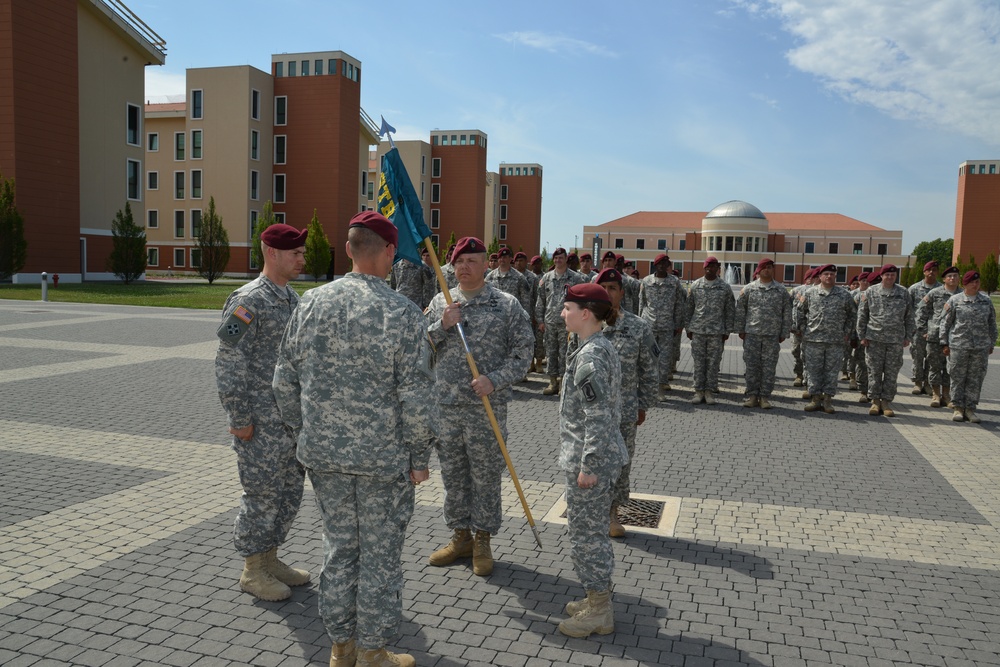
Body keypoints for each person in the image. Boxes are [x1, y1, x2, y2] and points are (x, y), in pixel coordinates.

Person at [272, 211, 437, 667]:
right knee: (380, 556)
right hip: (385, 461)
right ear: (389, 252)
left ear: (347, 249)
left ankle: (340, 647)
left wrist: (307, 433)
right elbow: (416, 395)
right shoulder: (403, 312)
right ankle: (371, 651)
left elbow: (283, 381)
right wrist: (420, 455)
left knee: (340, 547)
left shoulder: (309, 303)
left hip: (325, 458)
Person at [425, 237, 534, 576]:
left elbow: (523, 355)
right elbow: (419, 349)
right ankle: (461, 536)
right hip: (447, 406)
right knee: (454, 475)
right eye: (459, 261)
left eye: (471, 261)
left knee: (485, 476)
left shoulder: (505, 304)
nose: (464, 267)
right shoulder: (441, 302)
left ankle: (483, 538)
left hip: (486, 407)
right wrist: (440, 326)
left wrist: (494, 379)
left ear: (486, 264)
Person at [215, 222, 310, 602]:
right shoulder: (248, 300)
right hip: (260, 422)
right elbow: (228, 362)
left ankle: (271, 558)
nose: (302, 259)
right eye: (295, 253)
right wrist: (239, 418)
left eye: (302, 253)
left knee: (288, 493)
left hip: (291, 420)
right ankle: (252, 569)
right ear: (272, 253)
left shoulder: (293, 299)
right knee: (261, 494)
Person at [556, 283, 629, 639]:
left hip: (591, 461)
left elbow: (597, 416)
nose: (562, 313)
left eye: (567, 307)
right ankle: (594, 597)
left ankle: (599, 610)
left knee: (587, 537)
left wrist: (588, 466)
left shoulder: (590, 357)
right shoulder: (596, 347)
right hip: (595, 456)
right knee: (591, 533)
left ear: (586, 313)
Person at [581, 268, 657, 537]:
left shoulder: (638, 327)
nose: (608, 292)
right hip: (588, 413)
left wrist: (643, 405)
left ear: (622, 293)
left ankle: (613, 512)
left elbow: (649, 369)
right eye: (604, 288)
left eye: (613, 288)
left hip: (623, 411)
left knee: (620, 464)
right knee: (588, 460)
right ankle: (590, 510)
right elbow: (571, 369)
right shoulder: (584, 324)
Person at [796, 264, 857, 413]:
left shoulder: (844, 295)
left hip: (835, 341)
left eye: (832, 274)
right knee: (813, 371)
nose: (829, 276)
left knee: (831, 371)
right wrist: (803, 330)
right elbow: (799, 312)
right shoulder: (810, 293)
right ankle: (815, 399)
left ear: (835, 276)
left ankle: (828, 400)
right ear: (820, 276)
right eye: (826, 274)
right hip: (813, 340)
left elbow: (852, 315)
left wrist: (846, 332)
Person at [940, 270, 997, 423]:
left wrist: (991, 342)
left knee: (975, 379)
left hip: (980, 348)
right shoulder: (954, 300)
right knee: (957, 378)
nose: (975, 284)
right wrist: (944, 343)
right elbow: (945, 323)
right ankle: (958, 408)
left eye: (977, 282)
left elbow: (992, 324)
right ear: (965, 284)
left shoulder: (986, 301)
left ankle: (970, 409)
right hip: (958, 346)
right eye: (972, 282)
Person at [858, 263, 914, 417]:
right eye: (887, 274)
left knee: (891, 373)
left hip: (895, 340)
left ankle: (886, 402)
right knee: (874, 371)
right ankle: (875, 401)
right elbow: (862, 315)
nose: (890, 277)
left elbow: (909, 316)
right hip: (874, 339)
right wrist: (862, 336)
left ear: (896, 276)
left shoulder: (903, 293)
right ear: (881, 276)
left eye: (893, 274)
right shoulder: (870, 291)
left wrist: (908, 336)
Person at [736, 258, 792, 409]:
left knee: (769, 367)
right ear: (758, 270)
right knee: (752, 366)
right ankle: (752, 395)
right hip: (752, 334)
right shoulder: (748, 289)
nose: (767, 270)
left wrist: (784, 332)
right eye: (764, 267)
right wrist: (740, 330)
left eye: (770, 267)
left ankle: (765, 397)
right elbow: (741, 310)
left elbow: (786, 312)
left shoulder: (781, 290)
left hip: (772, 335)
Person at [685, 256, 735, 405]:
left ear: (717, 268)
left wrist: (727, 330)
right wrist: (688, 327)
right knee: (699, 362)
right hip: (698, 330)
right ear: (703, 267)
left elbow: (730, 310)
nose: (710, 268)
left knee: (713, 362)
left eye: (713, 266)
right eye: (707, 266)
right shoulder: (695, 286)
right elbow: (688, 308)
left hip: (716, 331)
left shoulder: (724, 287)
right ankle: (698, 391)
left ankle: (709, 392)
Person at [536, 247, 586, 395]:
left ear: (566, 259)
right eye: (556, 258)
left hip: (568, 323)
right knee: (551, 353)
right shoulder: (546, 278)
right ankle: (552, 383)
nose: (558, 260)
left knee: (566, 353)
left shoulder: (575, 278)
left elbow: (580, 301)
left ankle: (564, 382)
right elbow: (541, 301)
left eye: (561, 258)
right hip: (550, 322)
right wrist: (540, 320)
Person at [638, 253, 685, 400]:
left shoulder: (674, 282)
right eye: (660, 263)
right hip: (649, 325)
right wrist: (640, 322)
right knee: (648, 357)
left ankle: (659, 388)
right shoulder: (646, 281)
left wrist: (678, 324)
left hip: (667, 327)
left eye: (666, 264)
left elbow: (679, 305)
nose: (663, 266)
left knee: (664, 358)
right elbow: (642, 302)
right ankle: (648, 388)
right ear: (655, 265)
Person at [917, 266, 961, 408]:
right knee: (934, 366)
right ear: (944, 279)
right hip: (935, 335)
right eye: (949, 276)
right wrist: (923, 330)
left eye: (955, 276)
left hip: (954, 337)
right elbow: (921, 311)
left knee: (951, 367)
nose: (952, 278)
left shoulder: (962, 294)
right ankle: (936, 394)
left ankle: (946, 395)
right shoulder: (934, 293)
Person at [908, 260, 942, 395]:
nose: (932, 272)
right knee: (917, 356)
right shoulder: (914, 289)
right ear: (924, 272)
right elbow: (908, 309)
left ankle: (928, 384)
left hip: (935, 330)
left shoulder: (941, 289)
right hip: (918, 329)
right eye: (929, 270)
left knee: (931, 358)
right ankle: (917, 383)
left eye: (934, 270)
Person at [789, 268, 817, 388]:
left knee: (809, 355)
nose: (810, 279)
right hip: (797, 330)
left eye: (813, 277)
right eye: (808, 277)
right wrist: (791, 325)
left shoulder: (816, 291)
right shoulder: (796, 291)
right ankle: (798, 375)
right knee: (796, 352)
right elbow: (787, 307)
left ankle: (808, 378)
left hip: (812, 330)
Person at [486, 246, 531, 314]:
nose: (502, 259)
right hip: (494, 316)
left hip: (513, 316)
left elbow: (526, 301)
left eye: (504, 257)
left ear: (510, 259)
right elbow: (485, 295)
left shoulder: (519, 277)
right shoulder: (490, 277)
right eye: (500, 257)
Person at [527, 254, 546, 373]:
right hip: (529, 312)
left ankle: (539, 362)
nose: (536, 265)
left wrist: (538, 316)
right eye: (534, 264)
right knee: (529, 339)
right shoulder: (528, 277)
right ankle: (530, 364)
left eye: (538, 263)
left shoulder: (545, 277)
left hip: (540, 313)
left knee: (539, 340)